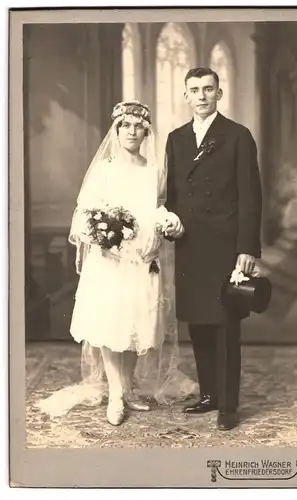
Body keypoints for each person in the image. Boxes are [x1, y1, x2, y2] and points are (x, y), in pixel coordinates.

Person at [36, 101, 197, 426]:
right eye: (126, 126)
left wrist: (168, 221)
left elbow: (157, 209)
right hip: (111, 259)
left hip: (141, 258)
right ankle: (115, 393)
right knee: (112, 326)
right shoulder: (105, 169)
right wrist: (101, 237)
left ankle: (129, 387)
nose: (132, 132)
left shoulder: (153, 172)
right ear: (117, 130)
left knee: (136, 325)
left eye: (139, 127)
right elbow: (84, 213)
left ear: (146, 132)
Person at [164, 67, 262, 431]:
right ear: (185, 96)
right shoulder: (175, 139)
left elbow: (251, 197)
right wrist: (170, 223)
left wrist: (247, 248)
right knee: (199, 324)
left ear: (220, 94)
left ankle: (229, 406)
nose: (202, 96)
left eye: (209, 89)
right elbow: (172, 195)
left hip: (225, 247)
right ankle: (209, 395)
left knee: (225, 326)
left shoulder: (237, 136)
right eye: (195, 90)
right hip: (190, 245)